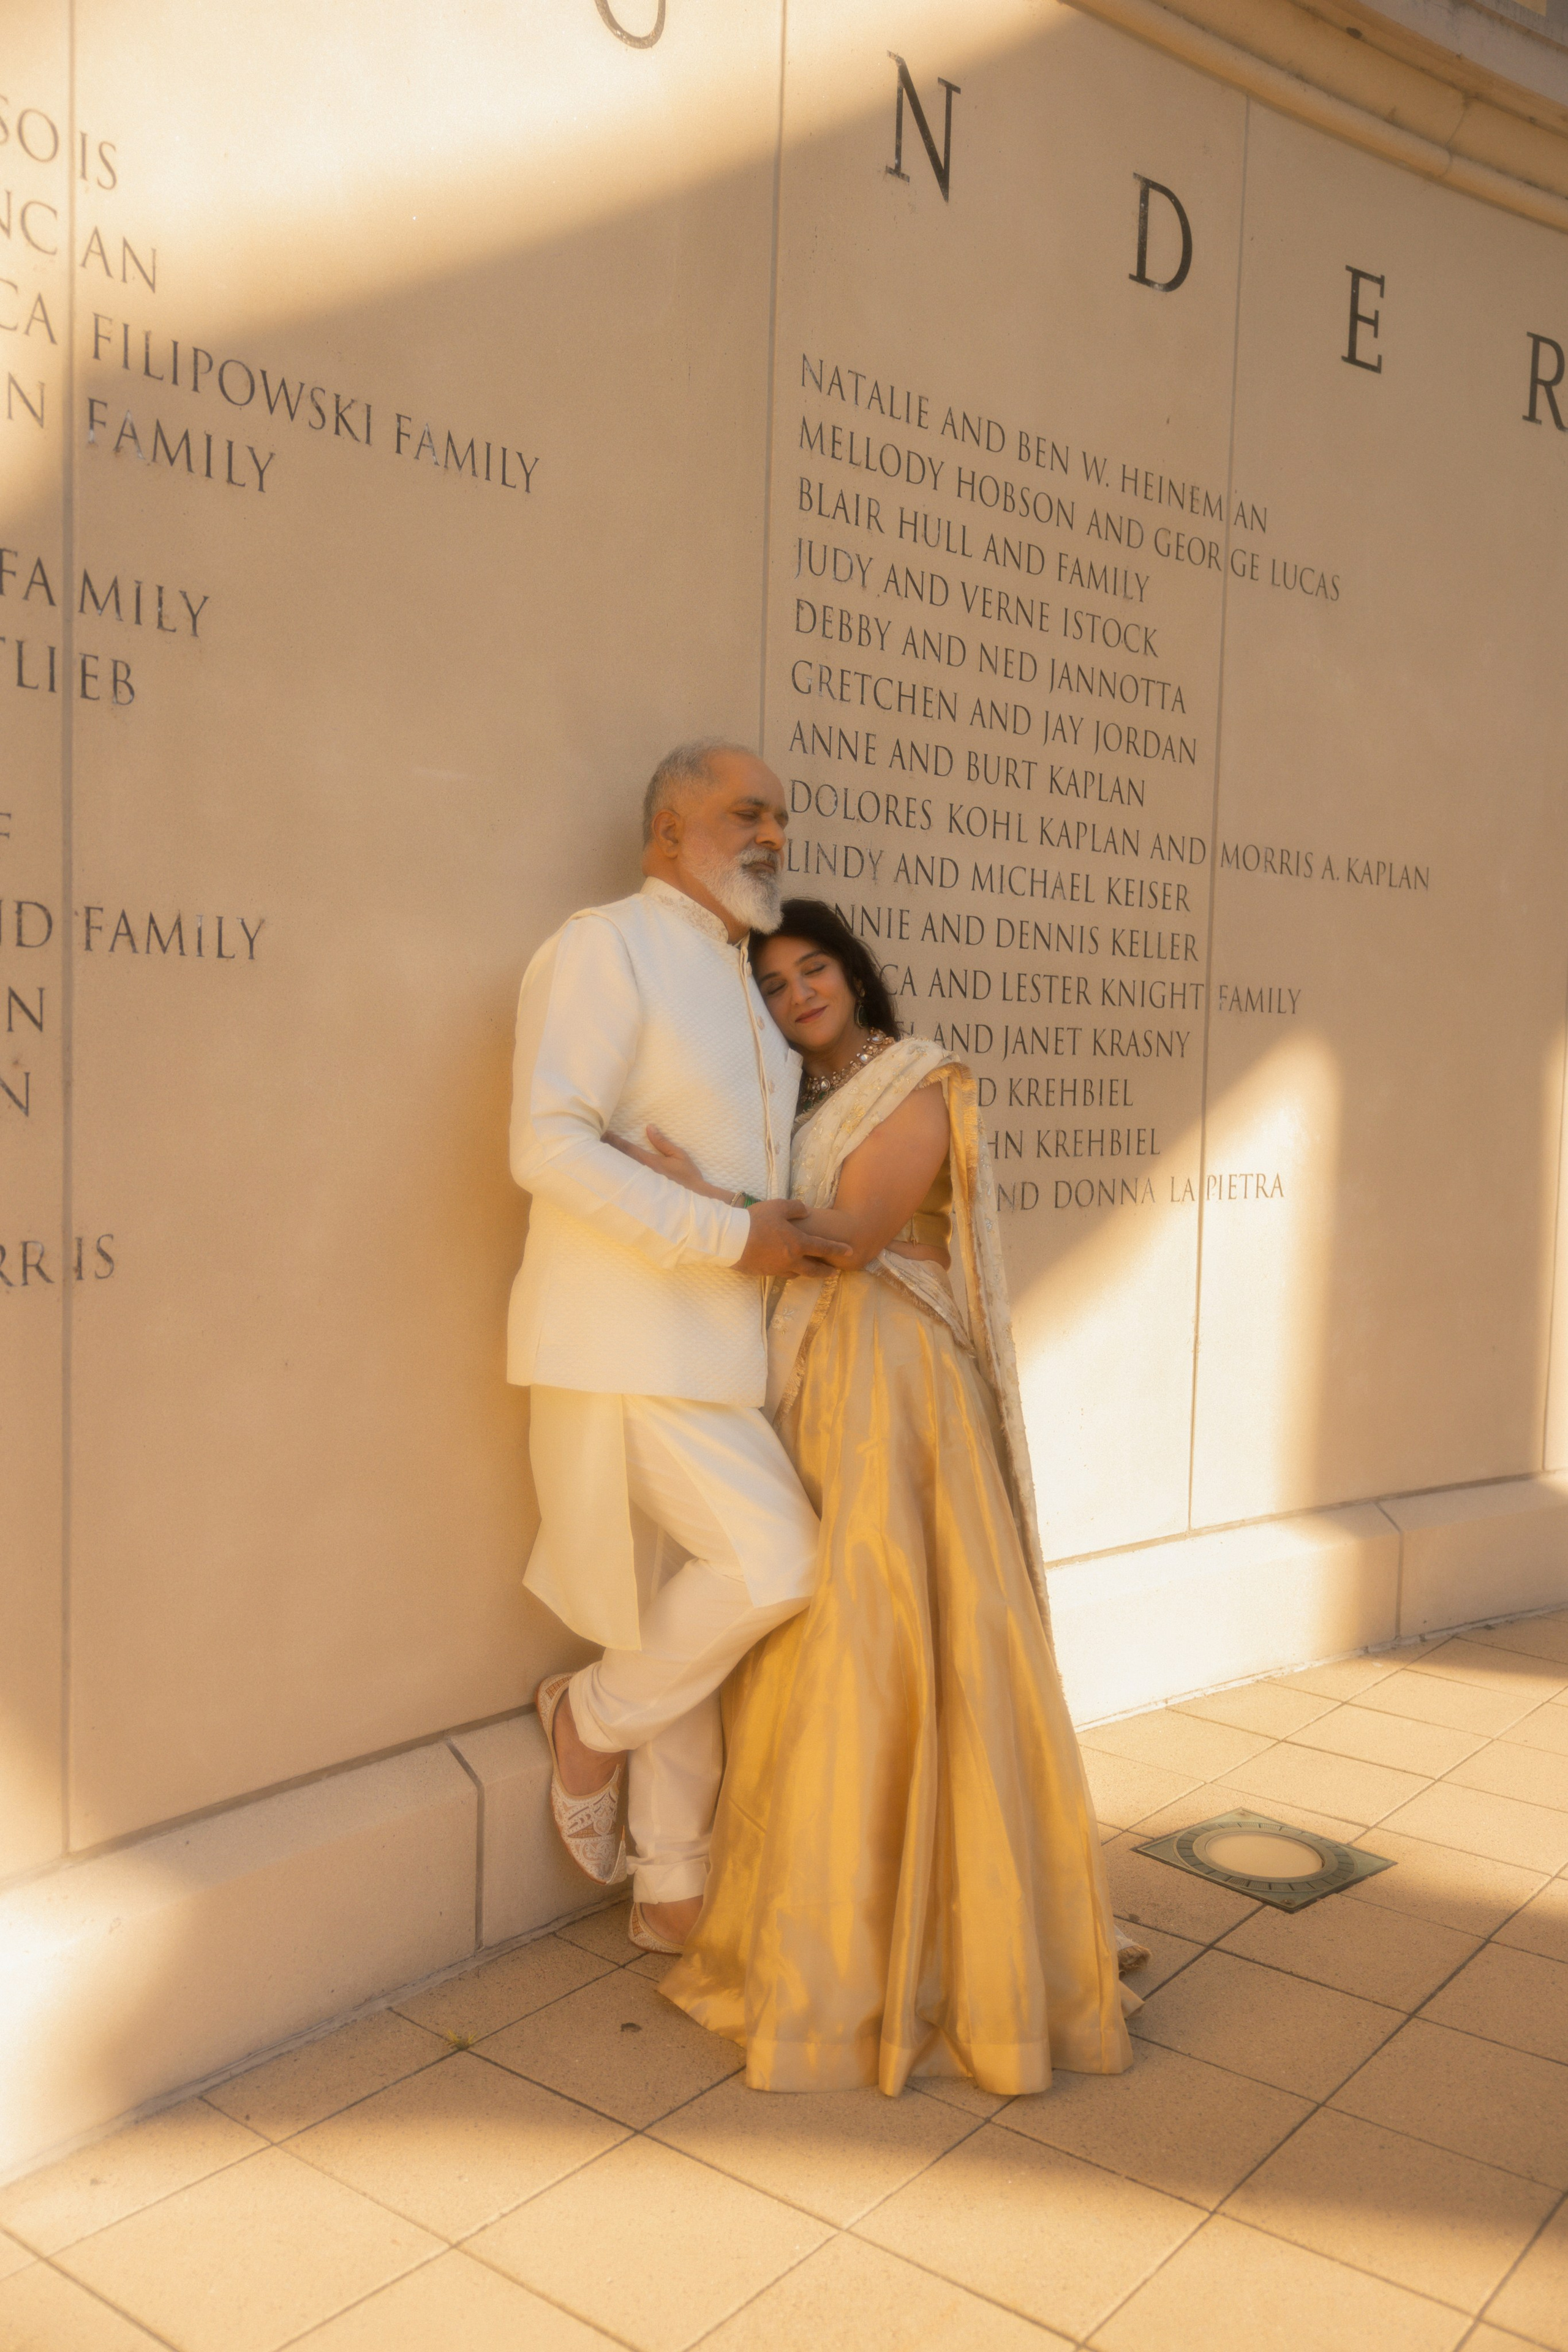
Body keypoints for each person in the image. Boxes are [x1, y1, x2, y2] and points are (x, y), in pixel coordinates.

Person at [610, 898, 1143, 2092]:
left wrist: (710, 1205)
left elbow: (848, 1238)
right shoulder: (786, 1109)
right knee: (822, 1638)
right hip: (813, 1384)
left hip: (897, 1390)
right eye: (774, 983)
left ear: (852, 973)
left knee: (898, 1635)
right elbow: (790, 1239)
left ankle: (932, 1942)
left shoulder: (913, 1079)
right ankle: (837, 1920)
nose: (798, 990)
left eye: (814, 967)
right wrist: (710, 1189)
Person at [507, 745, 849, 1955]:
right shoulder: (607, 944)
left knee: (667, 1615)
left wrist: (759, 1231)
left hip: (716, 1355)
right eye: (743, 813)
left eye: (780, 820)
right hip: (623, 1345)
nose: (770, 835)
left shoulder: (743, 988)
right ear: (665, 833)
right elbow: (545, 1145)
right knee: (774, 1567)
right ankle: (586, 1721)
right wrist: (724, 1230)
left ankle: (670, 1891)